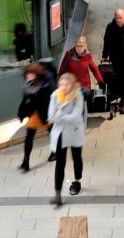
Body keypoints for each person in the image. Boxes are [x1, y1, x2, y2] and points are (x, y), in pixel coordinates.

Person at [47, 73, 87, 205]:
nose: (64, 87)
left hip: (74, 132)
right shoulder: (54, 95)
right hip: (60, 134)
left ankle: (77, 181)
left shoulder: (77, 95)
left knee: (76, 157)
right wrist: (60, 117)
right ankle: (57, 193)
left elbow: (76, 116)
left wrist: (60, 115)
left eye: (67, 84)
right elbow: (51, 117)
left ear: (72, 85)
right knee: (60, 163)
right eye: (61, 84)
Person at [16, 62, 53, 172]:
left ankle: (56, 152)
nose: (28, 76)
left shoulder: (44, 86)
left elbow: (48, 101)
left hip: (44, 113)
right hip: (34, 114)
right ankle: (26, 161)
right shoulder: (28, 85)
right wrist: (21, 113)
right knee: (29, 138)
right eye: (28, 73)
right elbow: (24, 101)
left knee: (53, 133)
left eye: (31, 73)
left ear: (36, 74)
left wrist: (50, 115)